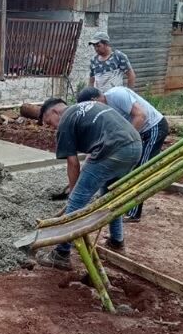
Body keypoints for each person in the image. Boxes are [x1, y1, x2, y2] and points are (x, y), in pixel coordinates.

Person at [37, 98, 142, 270]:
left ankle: (61, 253)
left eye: (49, 122)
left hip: (113, 149)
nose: (52, 127)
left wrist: (73, 192)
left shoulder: (65, 120)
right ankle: (117, 241)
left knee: (77, 201)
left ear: (55, 112)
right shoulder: (88, 106)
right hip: (134, 146)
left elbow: (73, 162)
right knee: (110, 196)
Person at [77, 86, 169, 221]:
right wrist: (89, 160)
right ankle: (115, 200)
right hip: (139, 132)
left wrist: (125, 141)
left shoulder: (117, 95)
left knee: (140, 171)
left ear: (94, 100)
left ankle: (133, 213)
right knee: (126, 169)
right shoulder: (104, 111)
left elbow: (140, 115)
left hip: (153, 128)